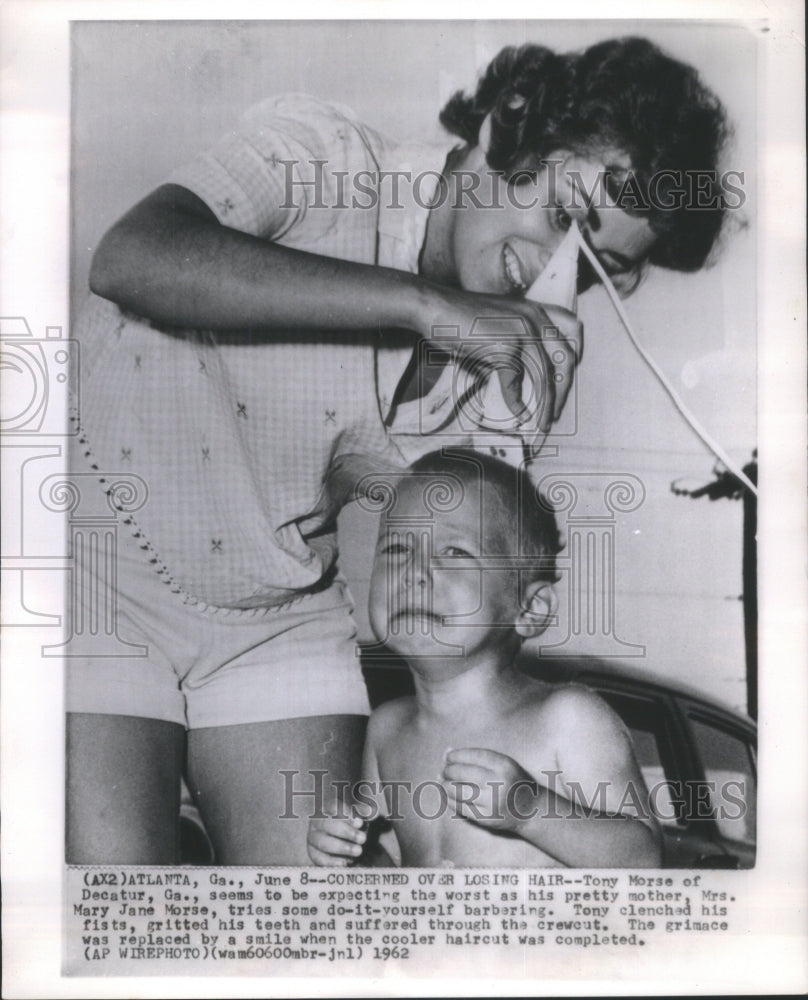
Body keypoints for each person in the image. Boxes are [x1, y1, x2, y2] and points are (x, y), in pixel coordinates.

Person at [67, 36, 727, 865]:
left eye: (597, 269)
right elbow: (130, 255)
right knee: (114, 913)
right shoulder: (325, 154)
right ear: (504, 129)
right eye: (562, 216)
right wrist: (428, 307)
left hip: (273, 605)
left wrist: (508, 447)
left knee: (308, 924)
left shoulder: (496, 362)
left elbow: (473, 595)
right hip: (97, 560)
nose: (555, 271)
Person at [307, 450, 662, 867]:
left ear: (530, 609)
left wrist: (530, 810)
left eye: (455, 552)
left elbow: (644, 862)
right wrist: (352, 853)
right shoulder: (388, 729)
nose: (415, 572)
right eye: (397, 549)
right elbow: (398, 872)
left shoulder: (568, 717)